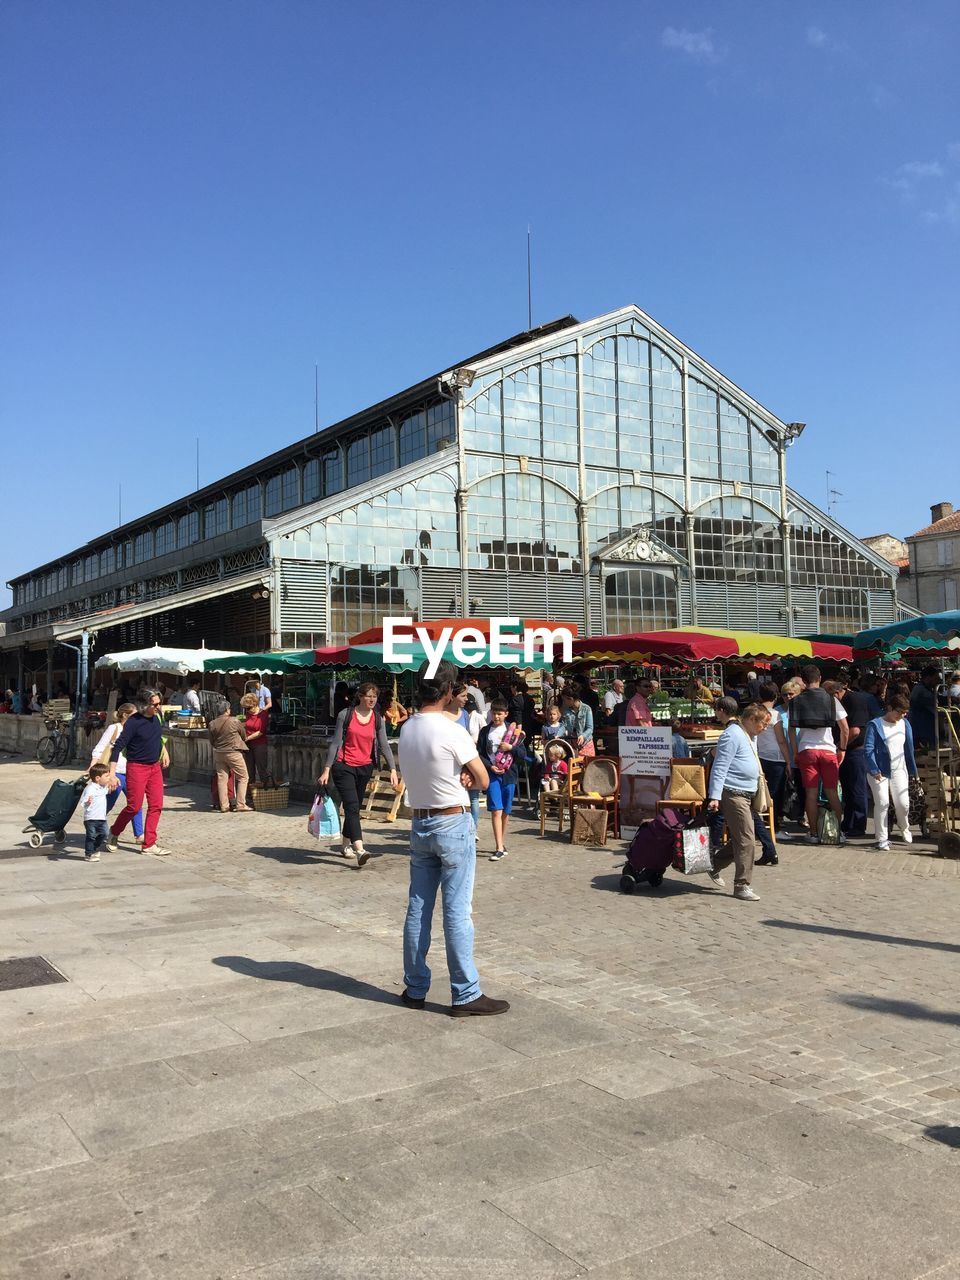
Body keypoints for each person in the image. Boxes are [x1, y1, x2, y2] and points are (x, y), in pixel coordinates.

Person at [398, 673, 508, 1017]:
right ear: (447, 692)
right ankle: (465, 992)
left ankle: (415, 987)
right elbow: (484, 778)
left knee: (418, 909)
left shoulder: (407, 728)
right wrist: (467, 775)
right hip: (452, 821)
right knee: (458, 910)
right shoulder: (451, 730)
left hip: (420, 821)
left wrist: (460, 773)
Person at [319, 682, 397, 867]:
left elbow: (384, 744)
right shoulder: (346, 715)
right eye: (368, 695)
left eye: (374, 696)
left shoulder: (377, 719)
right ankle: (360, 849)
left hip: (365, 767)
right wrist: (327, 768)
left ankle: (345, 845)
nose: (372, 699)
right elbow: (336, 742)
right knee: (353, 807)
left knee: (352, 808)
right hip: (343, 766)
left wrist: (393, 768)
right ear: (360, 697)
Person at [706, 699, 765, 900]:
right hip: (733, 793)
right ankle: (742, 885)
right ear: (749, 719)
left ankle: (714, 863)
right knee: (747, 839)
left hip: (747, 793)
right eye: (762, 723)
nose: (764, 728)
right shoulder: (732, 735)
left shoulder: (748, 735)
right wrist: (714, 796)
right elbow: (719, 767)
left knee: (743, 837)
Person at [107, 688, 171, 856]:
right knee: (134, 806)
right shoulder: (133, 722)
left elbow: (158, 737)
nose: (158, 707)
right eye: (154, 704)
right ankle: (114, 831)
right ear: (143, 705)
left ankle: (149, 844)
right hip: (137, 767)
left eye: (159, 703)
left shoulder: (158, 717)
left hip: (154, 767)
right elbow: (117, 747)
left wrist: (164, 752)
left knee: (156, 805)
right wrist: (112, 774)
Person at [789, 665, 848, 846]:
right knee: (832, 793)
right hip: (828, 751)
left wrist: (796, 751)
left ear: (803, 681)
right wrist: (842, 749)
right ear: (820, 677)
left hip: (807, 751)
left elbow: (792, 731)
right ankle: (838, 832)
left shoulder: (796, 701)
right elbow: (845, 729)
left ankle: (813, 833)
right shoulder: (832, 700)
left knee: (811, 794)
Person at [864, 694, 918, 851]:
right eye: (899, 712)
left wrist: (913, 770)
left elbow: (909, 749)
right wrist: (873, 768)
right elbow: (868, 749)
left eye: (904, 713)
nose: (901, 716)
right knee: (882, 802)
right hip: (879, 770)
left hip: (899, 769)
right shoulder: (875, 725)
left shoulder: (905, 724)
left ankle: (904, 826)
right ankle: (882, 838)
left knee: (903, 803)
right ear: (890, 708)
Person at [478, 699, 525, 861]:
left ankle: (502, 842)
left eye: (499, 713)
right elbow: (480, 754)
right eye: (494, 713)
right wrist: (490, 767)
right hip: (492, 774)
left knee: (506, 811)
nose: (496, 716)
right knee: (496, 809)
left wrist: (511, 748)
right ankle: (498, 846)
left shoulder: (513, 732)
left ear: (506, 714)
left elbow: (523, 754)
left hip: (509, 774)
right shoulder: (485, 731)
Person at [91, 703, 144, 846]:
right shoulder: (114, 728)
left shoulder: (137, 729)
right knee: (109, 802)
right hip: (116, 772)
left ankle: (139, 834)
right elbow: (100, 748)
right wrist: (92, 765)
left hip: (133, 771)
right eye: (134, 715)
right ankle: (96, 826)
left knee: (136, 804)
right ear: (125, 715)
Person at [836, 672, 873, 839]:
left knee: (857, 789)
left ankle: (858, 824)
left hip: (855, 750)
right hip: (847, 750)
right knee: (848, 788)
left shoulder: (854, 700)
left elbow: (855, 730)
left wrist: (840, 746)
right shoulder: (843, 701)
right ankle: (849, 822)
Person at [756, 682, 792, 840]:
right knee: (775, 795)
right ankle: (774, 827)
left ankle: (759, 825)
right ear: (776, 695)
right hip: (776, 758)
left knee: (759, 792)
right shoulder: (774, 714)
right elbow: (781, 741)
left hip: (759, 757)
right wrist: (788, 761)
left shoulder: (754, 712)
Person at [208, 700, 252, 812]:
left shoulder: (212, 723)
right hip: (233, 752)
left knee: (222, 779)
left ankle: (224, 805)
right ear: (227, 710)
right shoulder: (234, 721)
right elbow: (243, 735)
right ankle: (241, 804)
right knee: (243, 777)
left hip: (219, 753)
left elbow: (211, 741)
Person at [80, 764, 111, 862]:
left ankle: (94, 848)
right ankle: (89, 854)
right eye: (106, 776)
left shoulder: (103, 787)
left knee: (104, 834)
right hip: (91, 818)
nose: (109, 778)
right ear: (98, 778)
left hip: (102, 818)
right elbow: (83, 802)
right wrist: (88, 802)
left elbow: (107, 791)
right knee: (91, 836)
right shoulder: (90, 789)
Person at [241, 692, 269, 787]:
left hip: (259, 744)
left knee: (262, 769)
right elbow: (247, 725)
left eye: (248, 708)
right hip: (248, 745)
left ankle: (265, 792)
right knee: (249, 771)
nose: (247, 710)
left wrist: (247, 738)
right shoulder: (248, 714)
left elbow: (260, 732)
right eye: (246, 708)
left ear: (254, 704)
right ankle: (250, 795)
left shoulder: (263, 714)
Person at [909, 666, 941, 749]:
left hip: (925, 730)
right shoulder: (921, 690)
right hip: (922, 732)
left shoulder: (925, 689)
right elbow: (936, 702)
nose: (938, 681)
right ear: (928, 677)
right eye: (936, 678)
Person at [560, 688, 594, 756]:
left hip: (586, 743)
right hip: (572, 744)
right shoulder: (566, 711)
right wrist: (558, 734)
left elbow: (590, 728)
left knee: (587, 764)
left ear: (570, 699)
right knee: (573, 765)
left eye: (564, 700)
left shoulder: (587, 709)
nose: (564, 702)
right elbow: (564, 726)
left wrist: (583, 736)